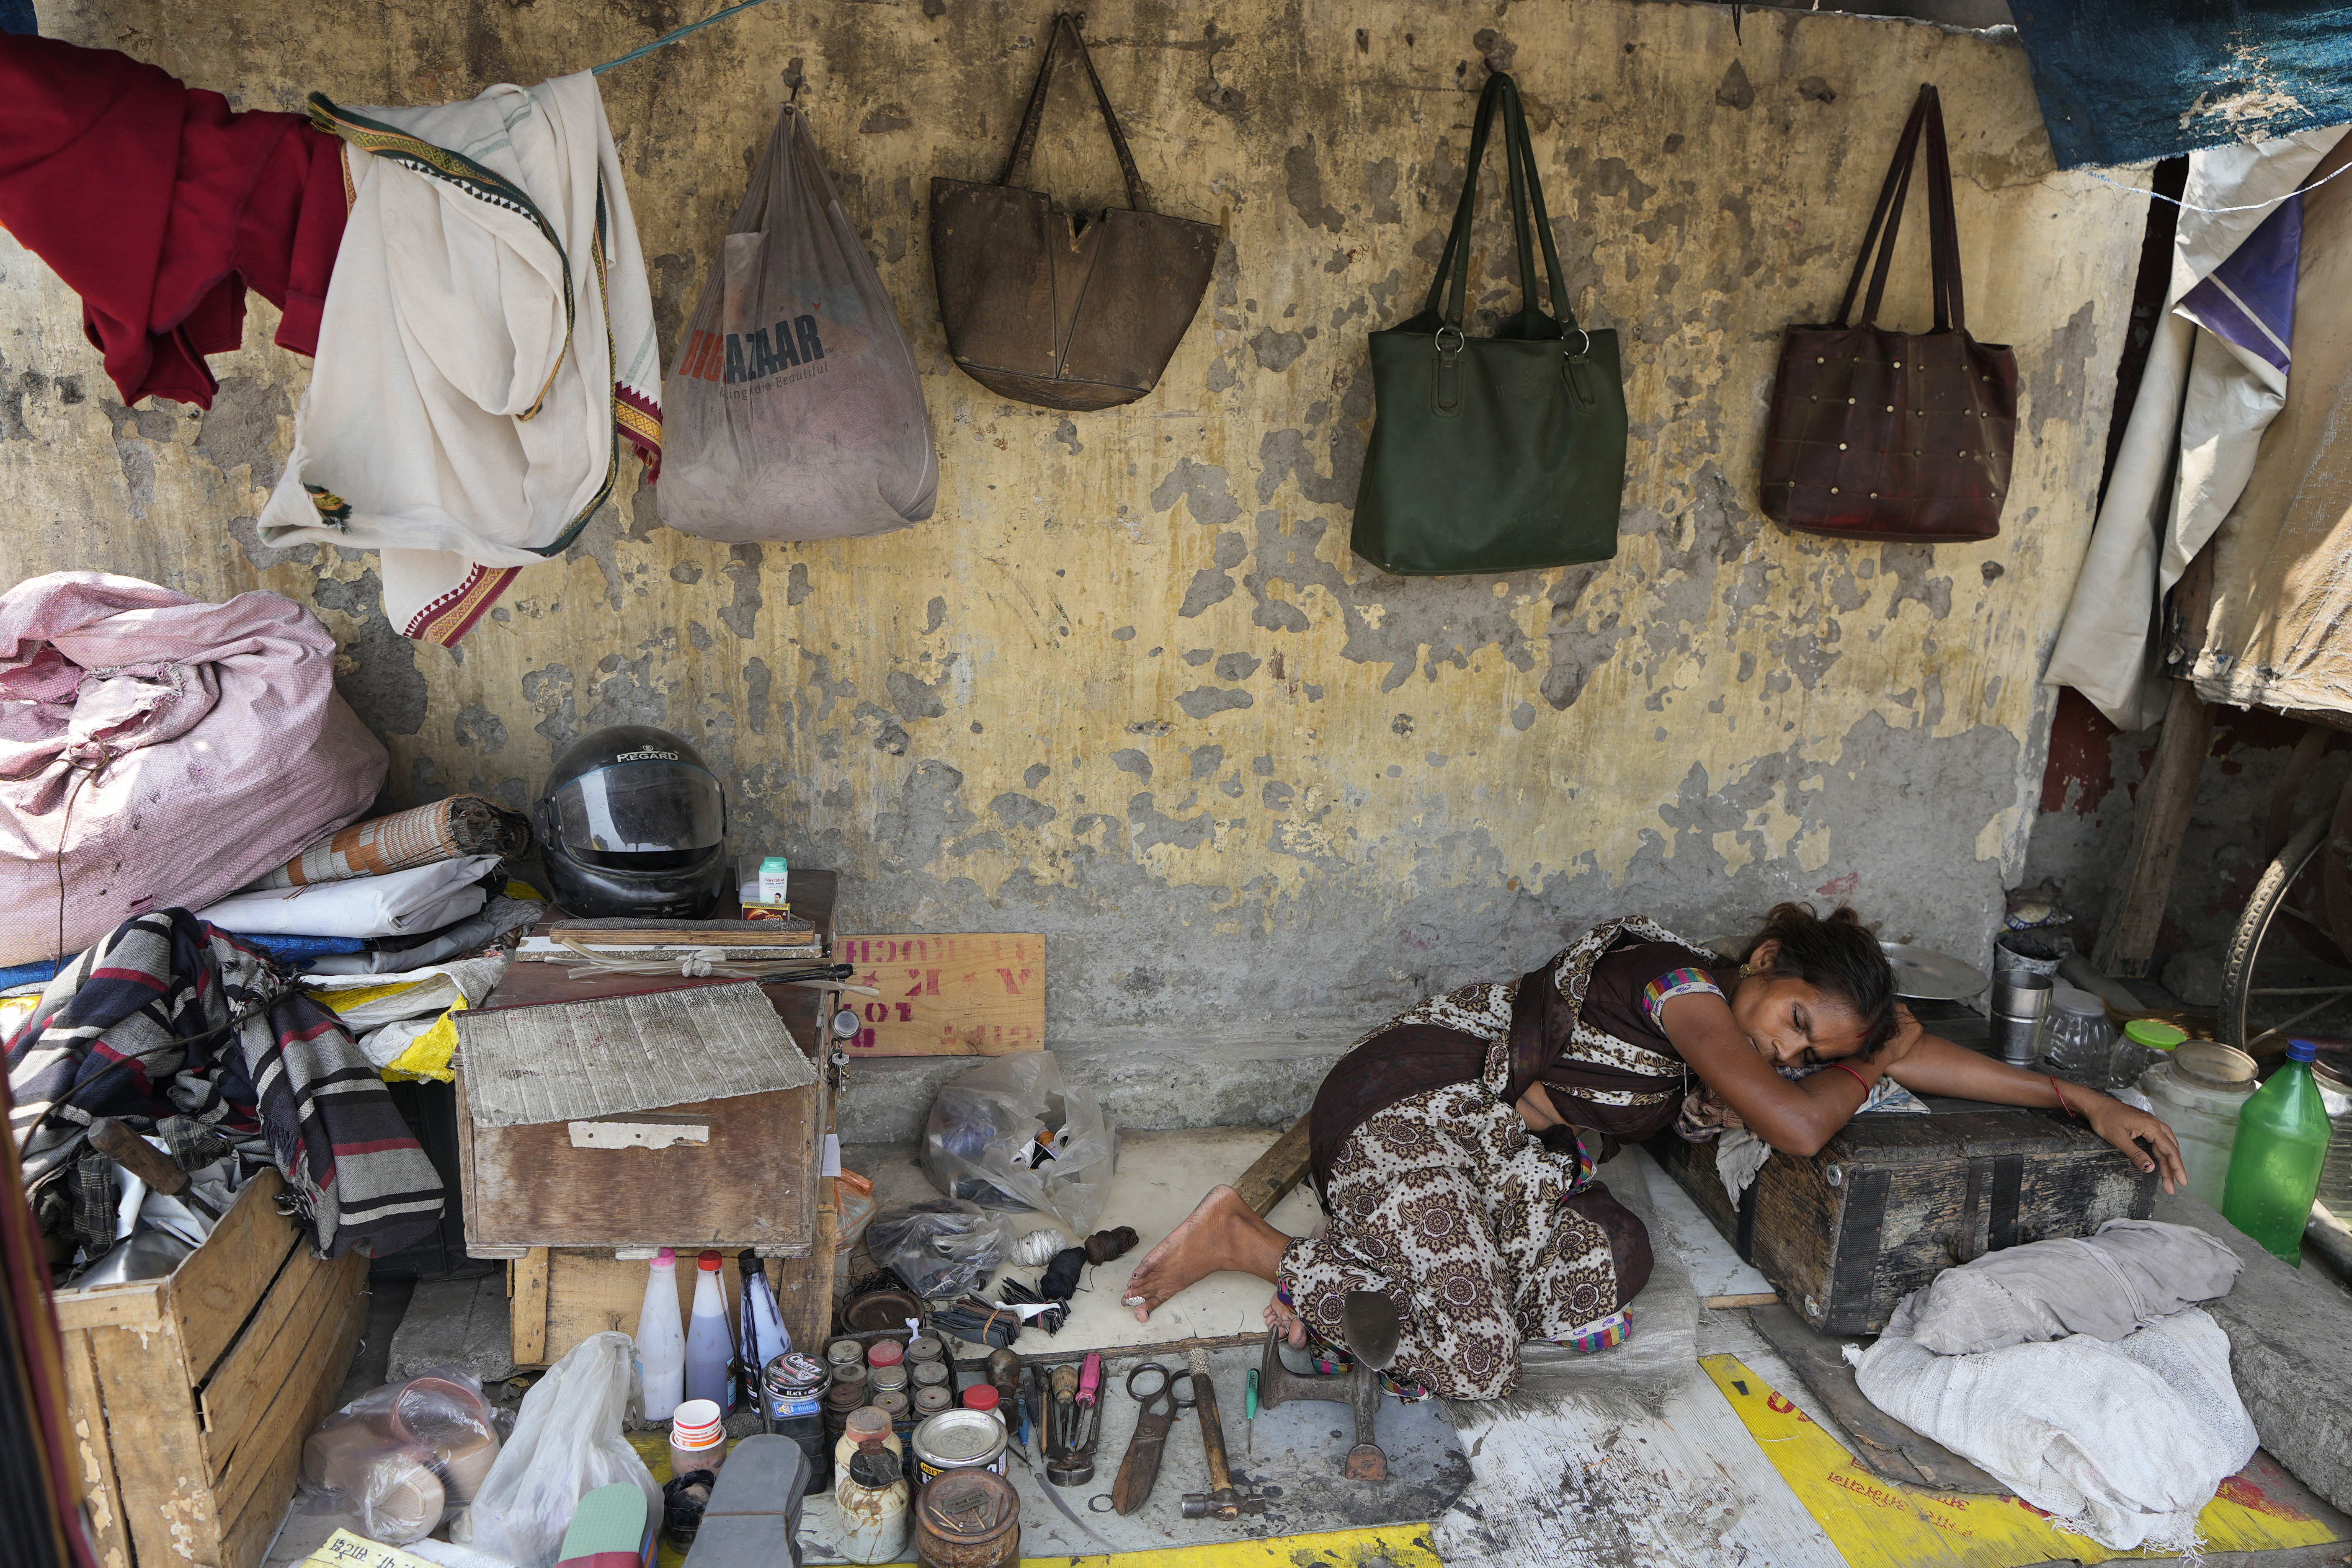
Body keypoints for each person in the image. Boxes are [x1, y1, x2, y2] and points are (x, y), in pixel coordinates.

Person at [1121, 905, 2187, 1401]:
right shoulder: (1680, 986)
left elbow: (1905, 1072)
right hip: (1416, 1110)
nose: (1787, 1051)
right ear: (1764, 961)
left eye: (1811, 1049)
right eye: (1797, 1021)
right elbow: (1804, 1119)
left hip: (1496, 1161)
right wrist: (1871, 1063)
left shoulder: (1735, 1049)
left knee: (1605, 1272)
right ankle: (1255, 1246)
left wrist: (2073, 1097)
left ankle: (1372, 1284)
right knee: (1479, 1360)